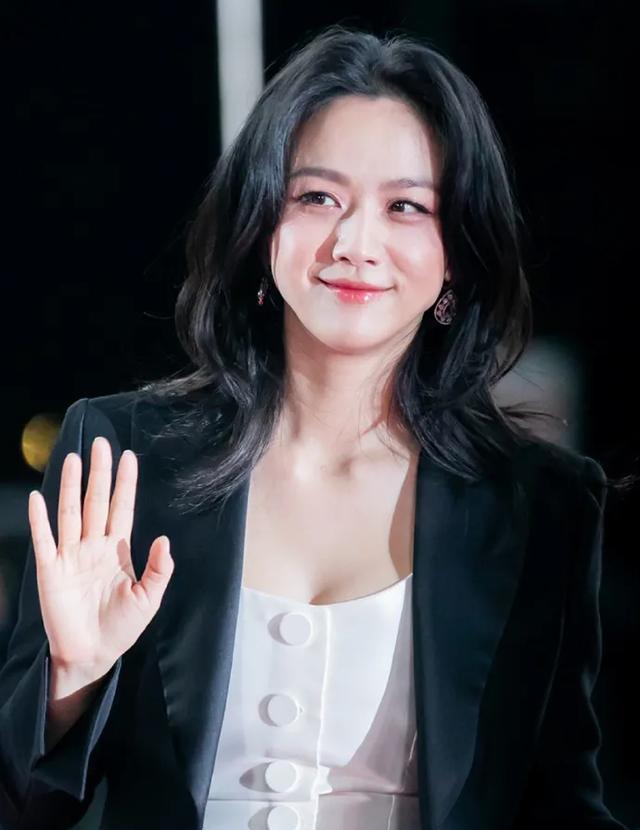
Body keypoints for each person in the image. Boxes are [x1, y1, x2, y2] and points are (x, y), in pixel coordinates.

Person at [0, 23, 630, 830]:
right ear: (262, 223)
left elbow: (562, 806)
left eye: (406, 207)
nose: (356, 243)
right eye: (317, 198)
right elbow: (26, 805)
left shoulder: (538, 505)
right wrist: (71, 679)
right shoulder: (124, 458)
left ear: (457, 253)